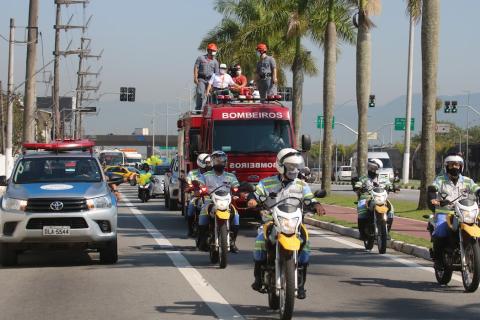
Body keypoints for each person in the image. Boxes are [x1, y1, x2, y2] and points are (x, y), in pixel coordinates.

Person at [247, 148, 325, 299]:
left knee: (306, 244)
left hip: (294, 224)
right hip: (271, 222)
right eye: (291, 167)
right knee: (259, 242)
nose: (294, 170)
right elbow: (255, 194)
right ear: (281, 166)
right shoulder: (267, 182)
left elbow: (310, 199)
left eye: (296, 167)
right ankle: (258, 278)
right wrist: (252, 200)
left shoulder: (302, 185)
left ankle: (301, 285)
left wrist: (317, 206)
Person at [428, 153, 480, 268]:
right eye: (451, 165)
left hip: (465, 212)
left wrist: (478, 192)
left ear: (461, 166)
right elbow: (433, 188)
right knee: (441, 231)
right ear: (447, 166)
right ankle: (439, 260)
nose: (455, 167)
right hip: (445, 212)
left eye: (457, 165)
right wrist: (433, 196)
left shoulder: (467, 181)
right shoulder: (440, 180)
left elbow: (476, 188)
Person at [197, 151, 240, 253]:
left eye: (222, 161)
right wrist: (201, 188)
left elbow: (236, 185)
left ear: (225, 162)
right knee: (203, 216)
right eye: (217, 160)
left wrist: (237, 189)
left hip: (226, 202)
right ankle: (202, 241)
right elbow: (200, 184)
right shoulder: (206, 175)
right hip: (210, 201)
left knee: (236, 217)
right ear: (212, 162)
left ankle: (232, 241)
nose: (219, 163)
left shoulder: (230, 176)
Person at [354, 159, 395, 240]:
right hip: (367, 198)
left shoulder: (383, 179)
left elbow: (389, 185)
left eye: (374, 168)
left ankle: (386, 232)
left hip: (381, 198)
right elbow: (358, 183)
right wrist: (358, 186)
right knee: (362, 209)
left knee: (391, 209)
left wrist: (393, 187)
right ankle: (362, 233)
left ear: (378, 169)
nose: (371, 170)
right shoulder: (364, 178)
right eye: (370, 167)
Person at [185, 153, 212, 237]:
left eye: (210, 162)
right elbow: (188, 183)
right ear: (201, 163)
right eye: (207, 162)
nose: (209, 164)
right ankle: (190, 230)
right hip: (197, 197)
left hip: (211, 197)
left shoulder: (213, 173)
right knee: (191, 208)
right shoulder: (192, 173)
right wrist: (190, 187)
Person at [194, 43, 219, 111]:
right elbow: (196, 67)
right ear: (208, 50)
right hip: (201, 79)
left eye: (214, 50)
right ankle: (198, 110)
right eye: (212, 50)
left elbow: (216, 74)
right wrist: (195, 77)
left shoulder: (215, 62)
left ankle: (206, 110)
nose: (213, 52)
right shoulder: (201, 58)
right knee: (200, 93)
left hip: (210, 81)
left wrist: (214, 84)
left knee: (208, 95)